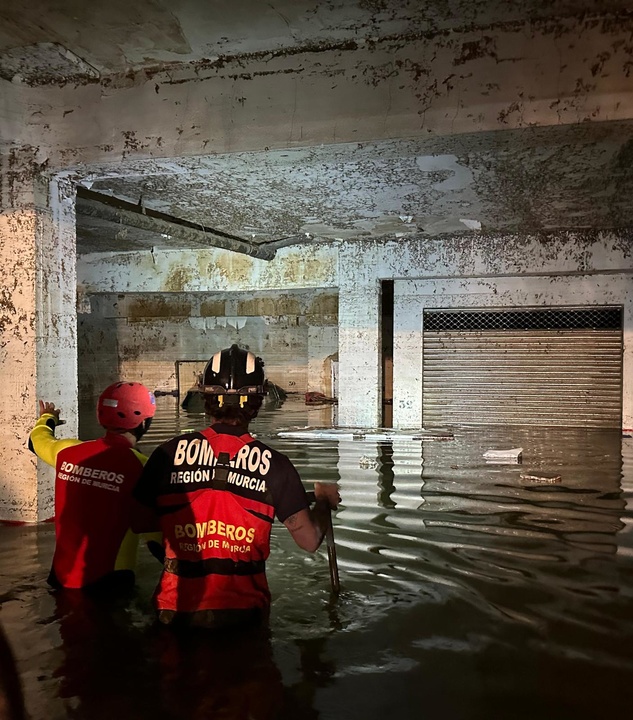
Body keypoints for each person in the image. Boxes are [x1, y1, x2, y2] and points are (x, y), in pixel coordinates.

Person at [132, 344, 340, 627]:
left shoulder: (167, 454)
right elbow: (310, 540)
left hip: (173, 613)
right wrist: (323, 502)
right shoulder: (275, 466)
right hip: (244, 617)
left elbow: (141, 523)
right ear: (257, 403)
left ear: (205, 398)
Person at [28, 382, 158, 591]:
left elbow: (35, 441)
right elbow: (156, 540)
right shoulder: (144, 469)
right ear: (144, 423)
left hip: (60, 578)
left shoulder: (67, 452)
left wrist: (47, 417)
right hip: (111, 584)